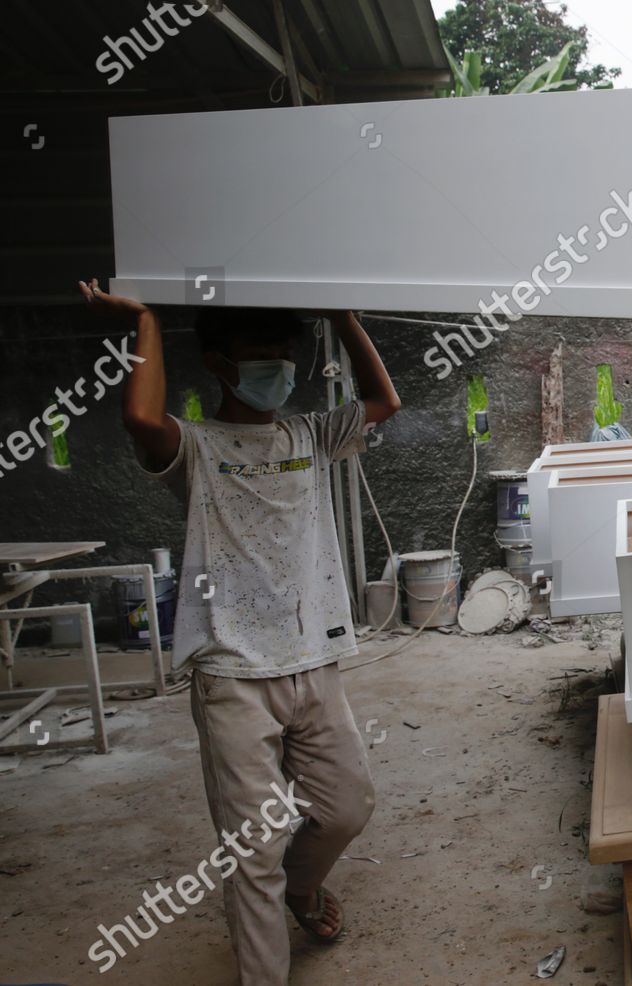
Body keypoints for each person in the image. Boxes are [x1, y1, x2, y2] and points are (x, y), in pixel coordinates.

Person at [80, 279, 401, 986]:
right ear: (219, 365)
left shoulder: (312, 435)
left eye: (284, 355)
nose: (277, 370)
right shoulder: (197, 447)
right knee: (250, 850)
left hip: (314, 660)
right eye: (260, 356)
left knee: (347, 807)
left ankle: (303, 886)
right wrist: (145, 321)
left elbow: (384, 402)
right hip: (231, 674)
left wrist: (342, 314)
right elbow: (139, 418)